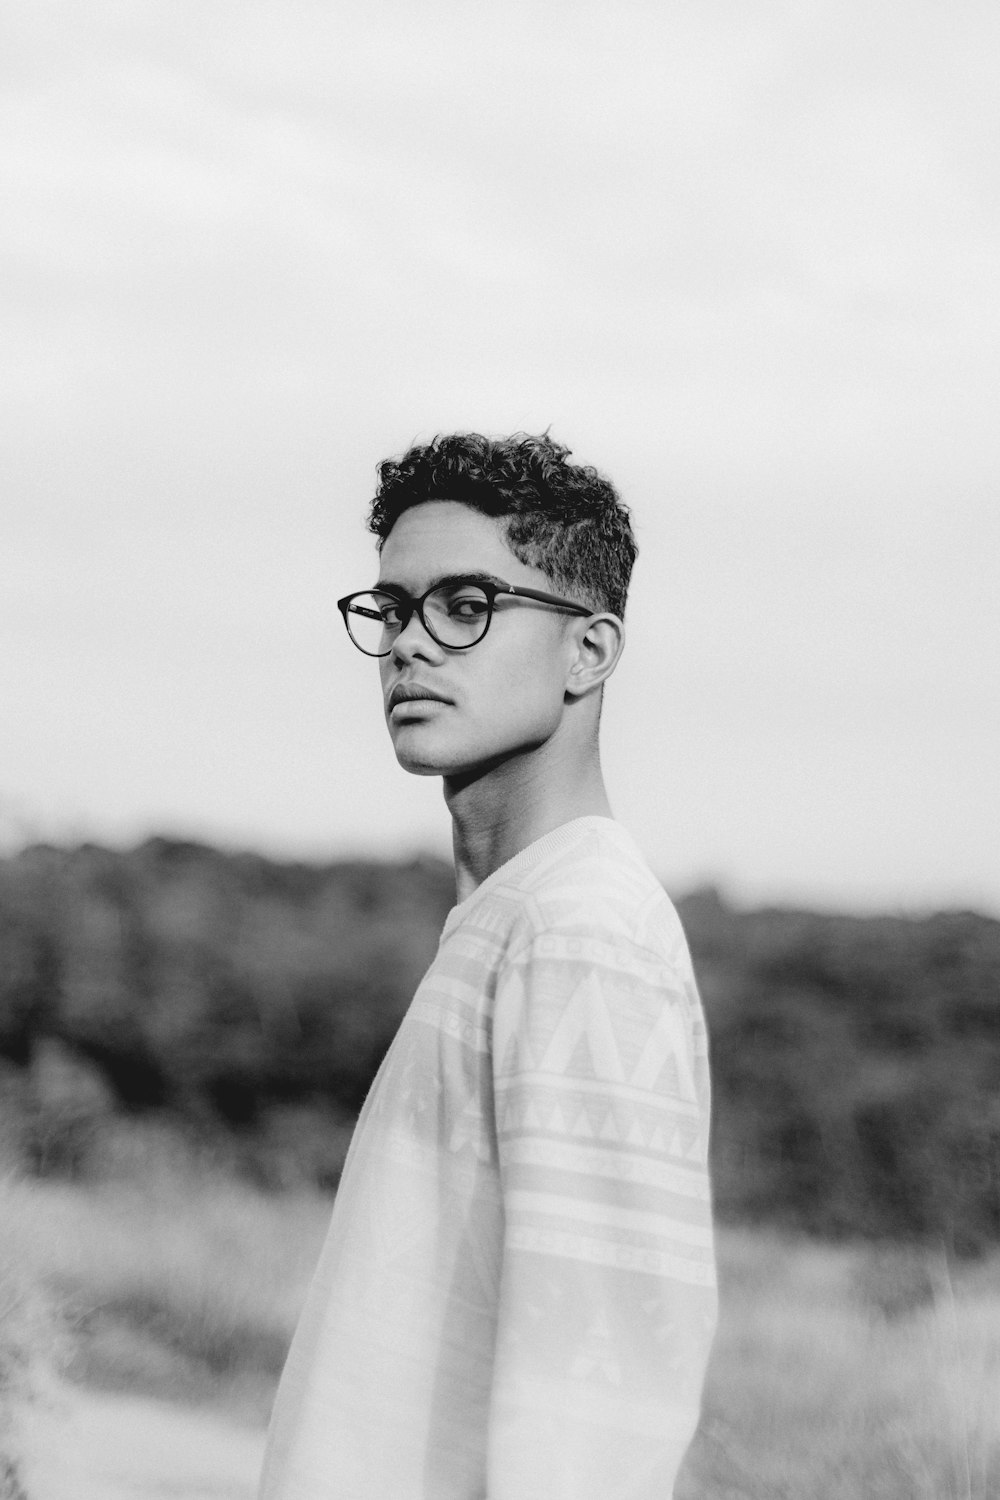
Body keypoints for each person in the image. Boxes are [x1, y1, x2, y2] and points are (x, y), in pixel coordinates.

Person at [257, 432, 717, 1500]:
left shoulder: (581, 935)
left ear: (589, 652)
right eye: (394, 608)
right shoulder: (511, 916)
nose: (413, 644)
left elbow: (595, 1415)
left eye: (466, 604)